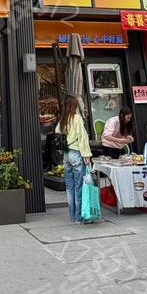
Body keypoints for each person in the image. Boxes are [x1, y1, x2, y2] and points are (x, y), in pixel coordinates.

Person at [55, 95, 92, 224]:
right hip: (76, 153)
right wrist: (86, 155)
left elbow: (57, 132)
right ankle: (79, 217)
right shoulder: (76, 118)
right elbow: (82, 137)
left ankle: (72, 216)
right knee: (79, 186)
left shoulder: (62, 120)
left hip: (66, 155)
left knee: (69, 187)